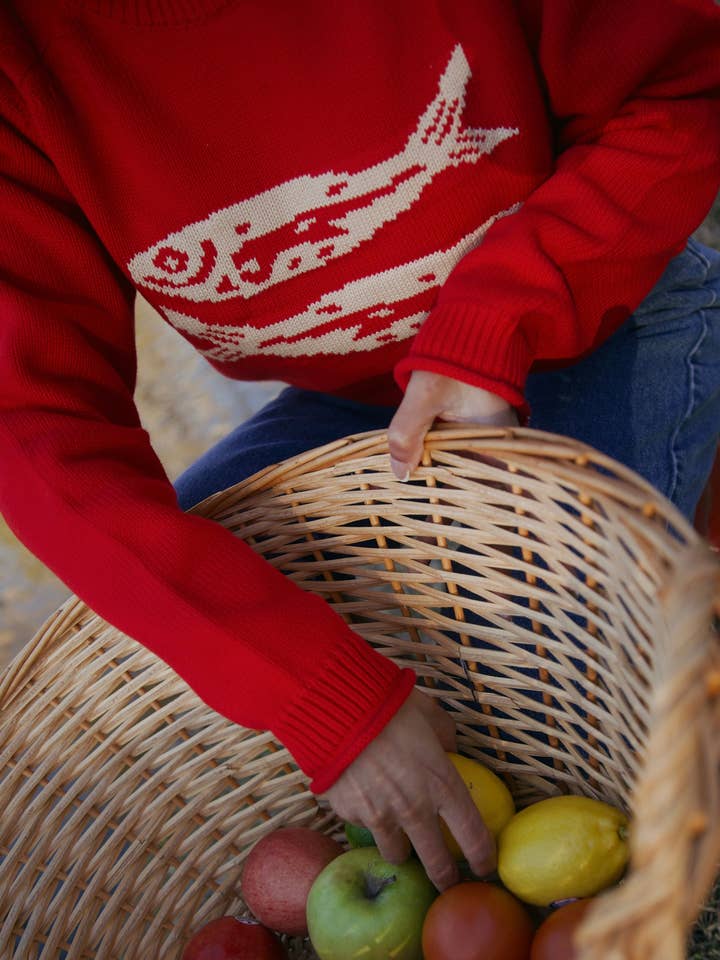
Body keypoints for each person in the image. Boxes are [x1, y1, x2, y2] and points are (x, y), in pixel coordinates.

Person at [1, 0, 719, 894]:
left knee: (535, 693)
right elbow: (34, 431)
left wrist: (504, 315)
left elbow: (682, 88)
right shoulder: (23, 57)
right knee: (184, 638)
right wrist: (315, 693)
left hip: (600, 320)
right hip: (365, 411)